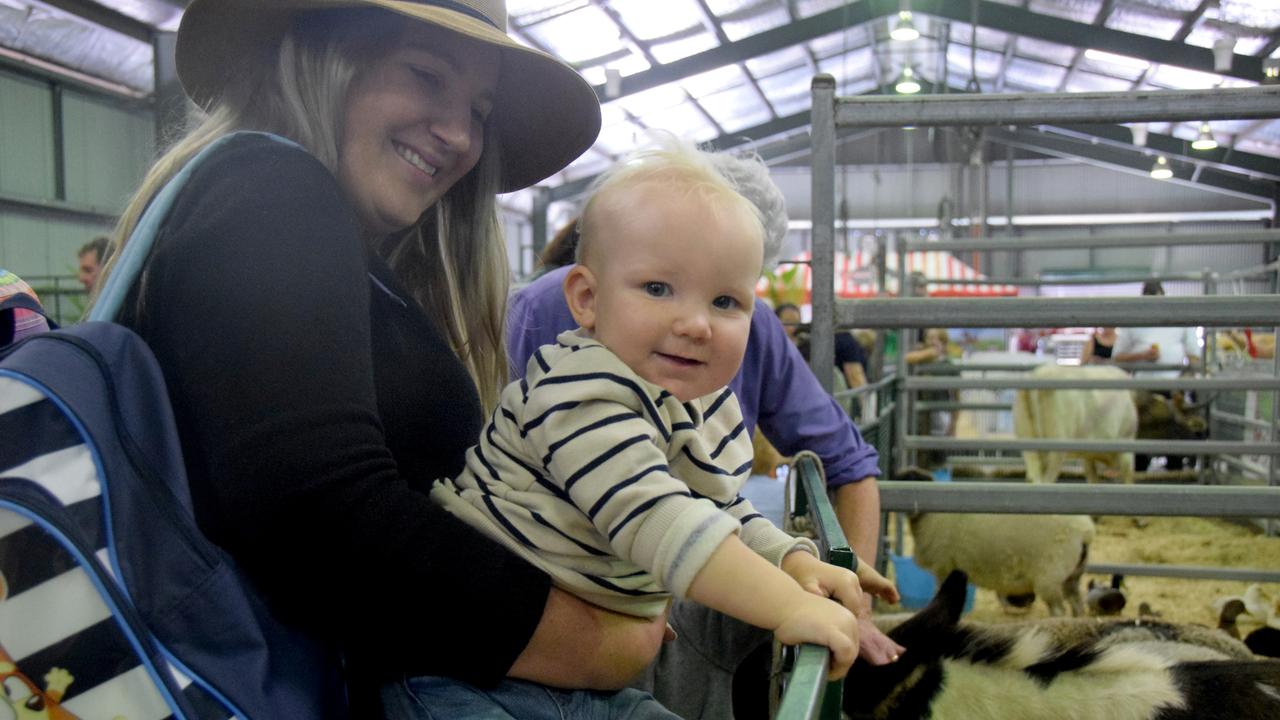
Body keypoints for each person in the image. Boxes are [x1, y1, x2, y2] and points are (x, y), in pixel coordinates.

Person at [89, 0, 672, 716]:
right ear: (326, 56)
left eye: (480, 112)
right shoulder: (275, 195)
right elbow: (322, 520)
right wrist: (595, 642)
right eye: (425, 75)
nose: (459, 135)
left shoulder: (329, 245)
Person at [427, 135, 898, 718]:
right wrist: (786, 606)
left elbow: (719, 507)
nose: (697, 324)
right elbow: (658, 520)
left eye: (726, 301)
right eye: (657, 289)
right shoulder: (580, 392)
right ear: (586, 298)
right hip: (472, 677)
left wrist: (793, 560)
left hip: (587, 680)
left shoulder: (704, 406)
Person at [1112, 281, 1201, 471]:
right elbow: (1117, 358)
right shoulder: (1133, 322)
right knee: (1140, 436)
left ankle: (1174, 475)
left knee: (1174, 434)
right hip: (1143, 390)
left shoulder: (1179, 319)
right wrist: (1142, 356)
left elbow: (1194, 356)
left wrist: (1185, 380)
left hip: (1172, 389)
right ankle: (1140, 475)